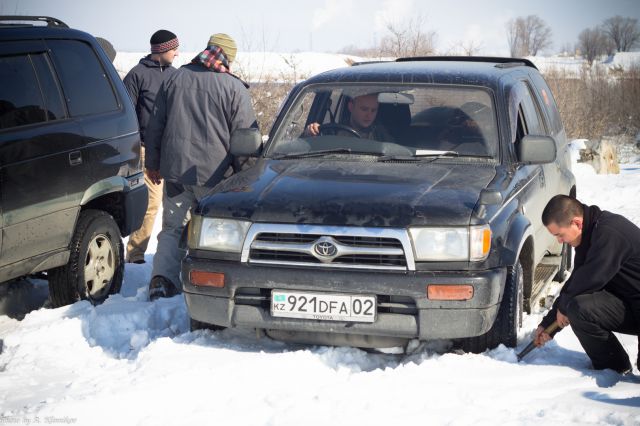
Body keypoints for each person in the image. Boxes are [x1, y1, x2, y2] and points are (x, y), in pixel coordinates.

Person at [144, 33, 257, 300]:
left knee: (172, 228)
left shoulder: (174, 78)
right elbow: (245, 140)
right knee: (215, 233)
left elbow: (155, 126)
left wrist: (153, 164)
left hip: (175, 174)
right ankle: (209, 288)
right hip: (216, 179)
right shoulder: (234, 88)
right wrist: (249, 176)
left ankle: (161, 281)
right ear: (228, 56)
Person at [534, 195, 640, 374]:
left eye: (559, 235)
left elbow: (592, 277)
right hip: (630, 304)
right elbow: (578, 281)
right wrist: (549, 325)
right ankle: (614, 370)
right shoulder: (590, 234)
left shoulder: (609, 232)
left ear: (577, 223)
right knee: (579, 308)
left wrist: (564, 307)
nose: (559, 241)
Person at [123, 30, 179, 265]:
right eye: (174, 48)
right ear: (161, 50)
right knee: (151, 203)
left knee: (174, 204)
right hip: (146, 149)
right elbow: (126, 113)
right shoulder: (137, 75)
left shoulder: (177, 75)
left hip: (173, 150)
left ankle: (171, 255)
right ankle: (135, 255)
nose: (177, 53)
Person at [305, 93, 393, 141]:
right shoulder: (332, 131)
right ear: (351, 107)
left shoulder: (380, 134)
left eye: (373, 110)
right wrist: (310, 132)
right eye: (364, 109)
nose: (369, 115)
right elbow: (307, 148)